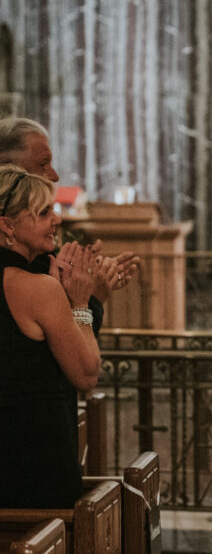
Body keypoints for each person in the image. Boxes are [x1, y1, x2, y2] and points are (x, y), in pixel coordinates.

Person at [0, 165, 100, 508]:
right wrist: (81, 301)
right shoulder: (37, 289)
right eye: (44, 212)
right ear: (7, 226)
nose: (57, 219)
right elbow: (86, 374)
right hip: (32, 470)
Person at [0, 116, 139, 333]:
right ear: (6, 168)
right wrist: (90, 298)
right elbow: (77, 364)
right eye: (43, 164)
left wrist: (86, 276)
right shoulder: (27, 279)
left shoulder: (36, 262)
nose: (54, 176)